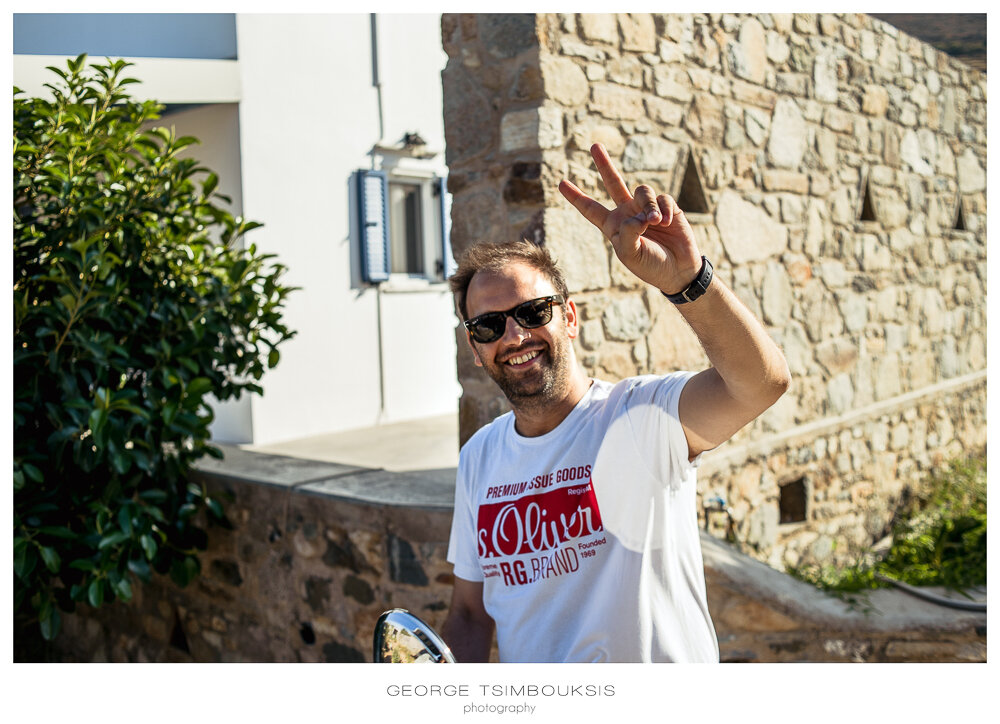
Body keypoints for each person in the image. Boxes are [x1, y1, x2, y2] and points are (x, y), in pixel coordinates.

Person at [441, 143, 791, 663]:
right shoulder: (480, 457)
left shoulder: (640, 417)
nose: (515, 336)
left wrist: (686, 282)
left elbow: (761, 384)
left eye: (534, 311)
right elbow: (470, 612)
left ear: (569, 317)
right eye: (490, 325)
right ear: (475, 348)